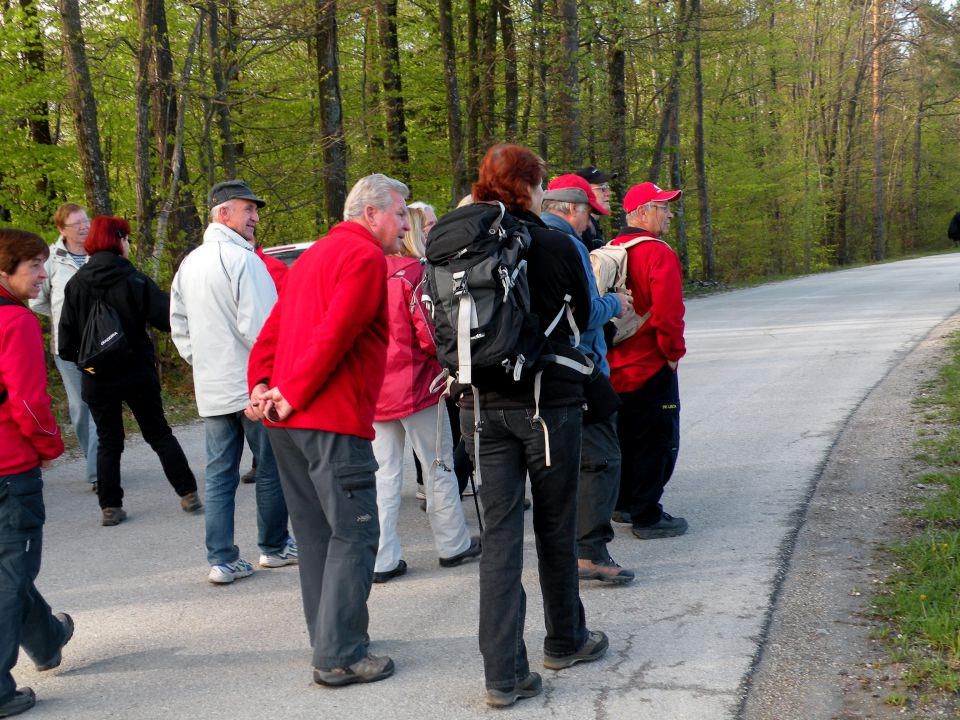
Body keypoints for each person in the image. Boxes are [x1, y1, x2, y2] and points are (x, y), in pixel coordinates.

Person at [246, 173, 410, 687]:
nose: (405, 225)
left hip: (287, 422)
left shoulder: (314, 254)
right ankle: (339, 654)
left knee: (317, 533)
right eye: (399, 214)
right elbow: (336, 332)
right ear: (371, 214)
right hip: (328, 417)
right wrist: (288, 390)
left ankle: (329, 637)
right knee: (356, 530)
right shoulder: (363, 257)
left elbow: (272, 329)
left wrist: (262, 383)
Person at [462, 144, 608, 707]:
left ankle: (503, 675)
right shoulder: (554, 242)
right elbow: (582, 317)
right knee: (554, 524)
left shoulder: (457, 241)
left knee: (499, 538)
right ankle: (566, 638)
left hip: (477, 405)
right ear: (530, 185)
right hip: (548, 405)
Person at [171, 180, 295, 584]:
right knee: (271, 467)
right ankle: (274, 547)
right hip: (249, 385)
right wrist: (268, 379)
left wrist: (203, 362)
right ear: (223, 213)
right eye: (248, 209)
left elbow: (179, 326)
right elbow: (261, 330)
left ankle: (221, 559)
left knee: (220, 474)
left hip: (213, 386)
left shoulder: (189, 263)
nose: (256, 216)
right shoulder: (244, 261)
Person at [57, 216, 201, 526]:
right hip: (136, 372)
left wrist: (89, 360)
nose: (129, 244)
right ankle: (187, 493)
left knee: (109, 441)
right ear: (119, 240)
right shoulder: (135, 280)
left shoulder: (75, 285)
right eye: (127, 238)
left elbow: (65, 343)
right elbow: (168, 320)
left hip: (96, 376)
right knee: (159, 433)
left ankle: (110, 507)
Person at [371, 204, 480, 584]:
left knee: (383, 475)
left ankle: (382, 557)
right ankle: (452, 544)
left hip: (375, 389)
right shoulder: (412, 274)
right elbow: (429, 334)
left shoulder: (367, 273)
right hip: (416, 385)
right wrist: (449, 365)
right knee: (438, 466)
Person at [541, 174, 636, 584]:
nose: (590, 224)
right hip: (581, 368)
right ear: (571, 210)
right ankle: (589, 553)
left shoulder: (524, 239)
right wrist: (616, 302)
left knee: (561, 464)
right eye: (588, 215)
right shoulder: (570, 245)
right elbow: (582, 314)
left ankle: (563, 552)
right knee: (602, 459)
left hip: (538, 368)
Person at [0, 228, 73, 718]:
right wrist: (50, 445)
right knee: (10, 573)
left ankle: (47, 639)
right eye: (34, 266)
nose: (43, 275)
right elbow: (28, 399)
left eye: (44, 264)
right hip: (10, 468)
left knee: (10, 568)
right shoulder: (15, 322)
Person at [607, 182, 688, 539]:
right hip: (650, 362)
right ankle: (647, 515)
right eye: (663, 207)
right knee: (657, 439)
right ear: (641, 213)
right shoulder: (658, 253)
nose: (669, 214)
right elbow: (669, 312)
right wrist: (673, 354)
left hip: (613, 363)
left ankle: (623, 504)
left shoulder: (611, 249)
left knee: (623, 435)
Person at [30, 204, 99, 490]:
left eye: (86, 222)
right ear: (62, 230)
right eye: (76, 224)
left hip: (101, 347)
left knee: (100, 403)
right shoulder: (51, 259)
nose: (84, 227)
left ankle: (101, 466)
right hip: (68, 350)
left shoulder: (100, 253)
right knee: (81, 406)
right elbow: (38, 302)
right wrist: (66, 322)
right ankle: (96, 465)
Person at [574, 166, 617, 250]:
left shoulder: (592, 226)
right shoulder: (583, 230)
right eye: (602, 188)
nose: (608, 193)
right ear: (585, 192)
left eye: (607, 187)